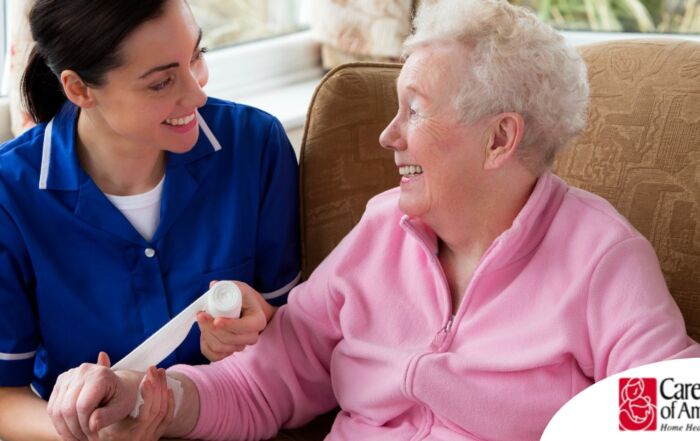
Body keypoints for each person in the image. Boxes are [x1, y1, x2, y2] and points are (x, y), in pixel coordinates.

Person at [48, 0, 700, 440]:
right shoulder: (381, 230)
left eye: (413, 110)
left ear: (500, 139)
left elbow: (677, 405)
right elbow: (263, 381)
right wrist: (150, 399)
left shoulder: (598, 256)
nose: (388, 135)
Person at [0, 0, 300, 439]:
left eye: (197, 55)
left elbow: (301, 330)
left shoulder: (255, 146)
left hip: (233, 422)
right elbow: (5, 398)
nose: (198, 94)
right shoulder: (11, 194)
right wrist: (90, 433)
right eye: (161, 82)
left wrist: (262, 322)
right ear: (80, 88)